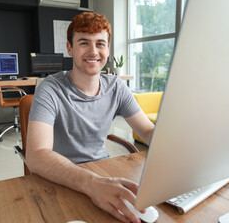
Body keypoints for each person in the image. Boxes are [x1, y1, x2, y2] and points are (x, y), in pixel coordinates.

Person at [26, 12, 155, 223]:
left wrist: (176, 146)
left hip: (101, 173)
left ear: (108, 49)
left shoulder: (116, 87)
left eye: (100, 43)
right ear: (70, 48)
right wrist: (91, 183)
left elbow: (148, 132)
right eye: (84, 43)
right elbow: (36, 154)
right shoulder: (50, 89)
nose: (93, 51)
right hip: (60, 178)